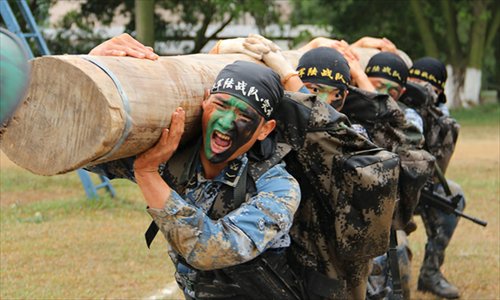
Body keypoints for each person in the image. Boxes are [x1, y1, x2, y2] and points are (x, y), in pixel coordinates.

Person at [88, 38, 303, 299]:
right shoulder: (176, 159)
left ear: (264, 130)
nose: (226, 122)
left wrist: (147, 173)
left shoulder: (279, 187)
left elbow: (211, 248)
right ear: (204, 102)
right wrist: (95, 68)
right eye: (220, 105)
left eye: (244, 116)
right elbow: (79, 148)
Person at [406, 57, 464, 299]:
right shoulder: (390, 103)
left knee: (455, 196)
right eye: (413, 80)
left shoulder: (442, 118)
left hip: (418, 186)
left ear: (438, 92)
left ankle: (431, 272)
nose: (417, 87)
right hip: (385, 192)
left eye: (426, 84)